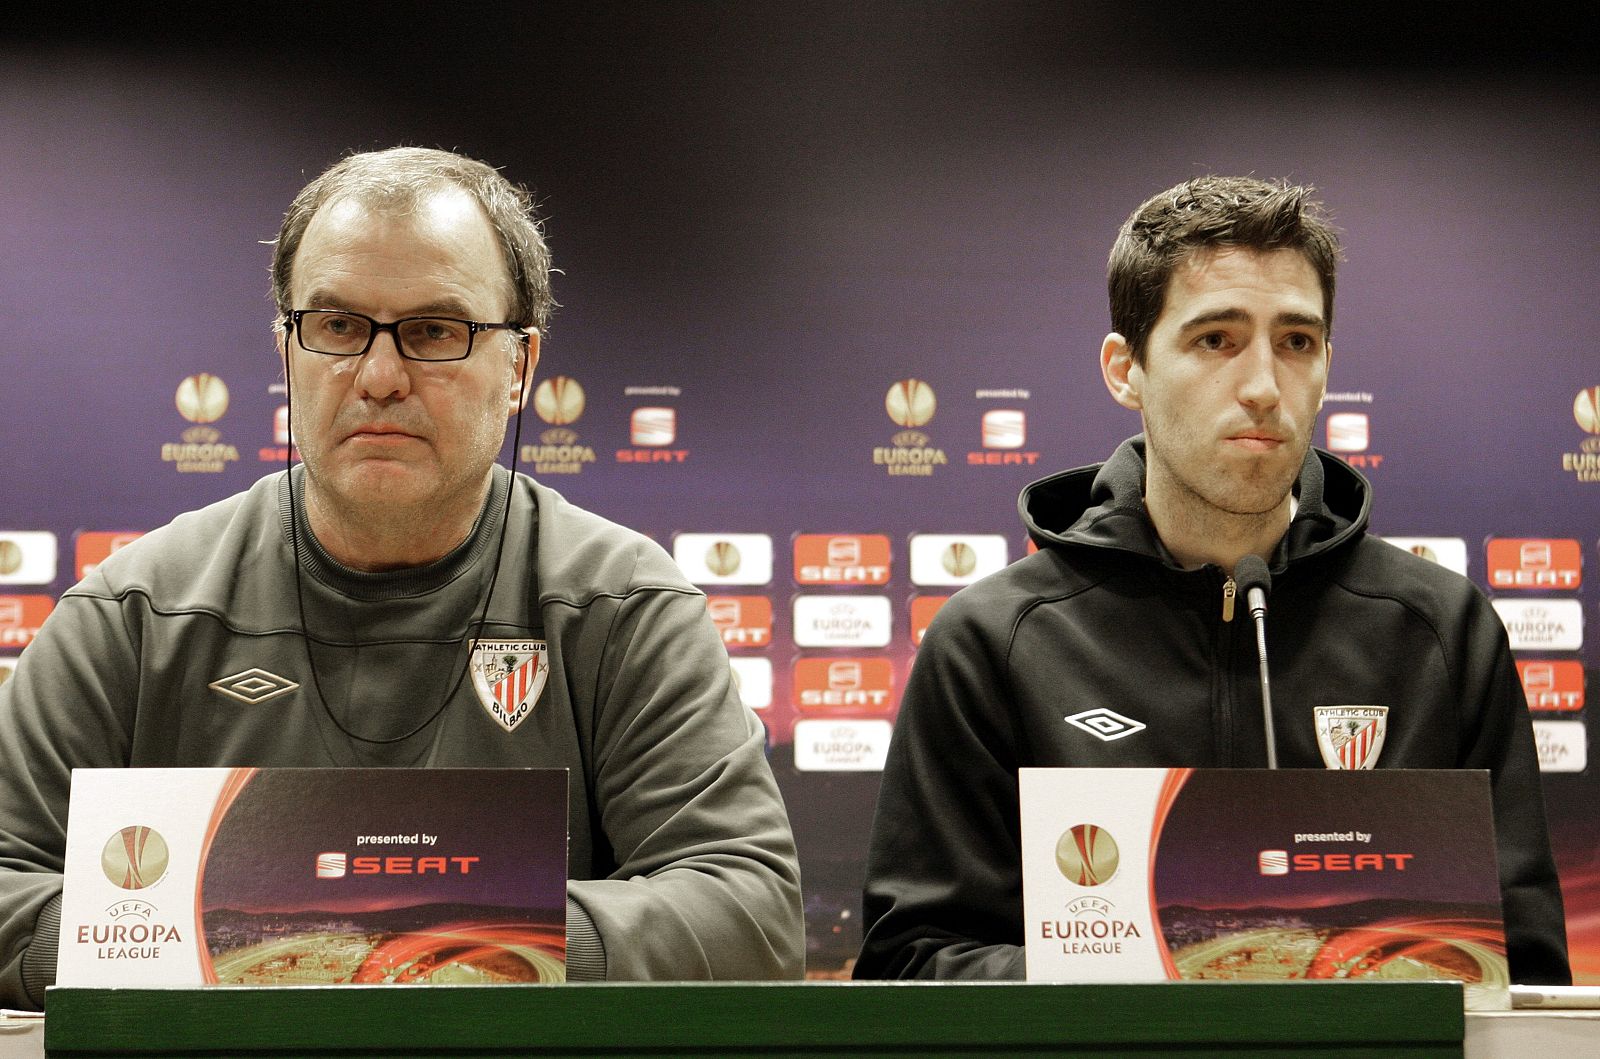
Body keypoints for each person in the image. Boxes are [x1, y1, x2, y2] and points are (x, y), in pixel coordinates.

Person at [0, 147, 804, 1008]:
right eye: (339, 327)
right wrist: (328, 939)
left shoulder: (623, 606)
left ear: (520, 368)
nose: (379, 377)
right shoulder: (133, 614)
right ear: (287, 351)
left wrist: (404, 944)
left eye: (434, 331)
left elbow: (749, 916)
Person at [855, 175, 1569, 984]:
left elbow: (1531, 979)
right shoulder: (995, 641)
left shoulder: (1443, 632)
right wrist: (1157, 986)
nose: (1264, 385)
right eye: (1217, 340)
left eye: (1296, 341)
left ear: (1328, 363)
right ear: (1126, 369)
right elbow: (911, 966)